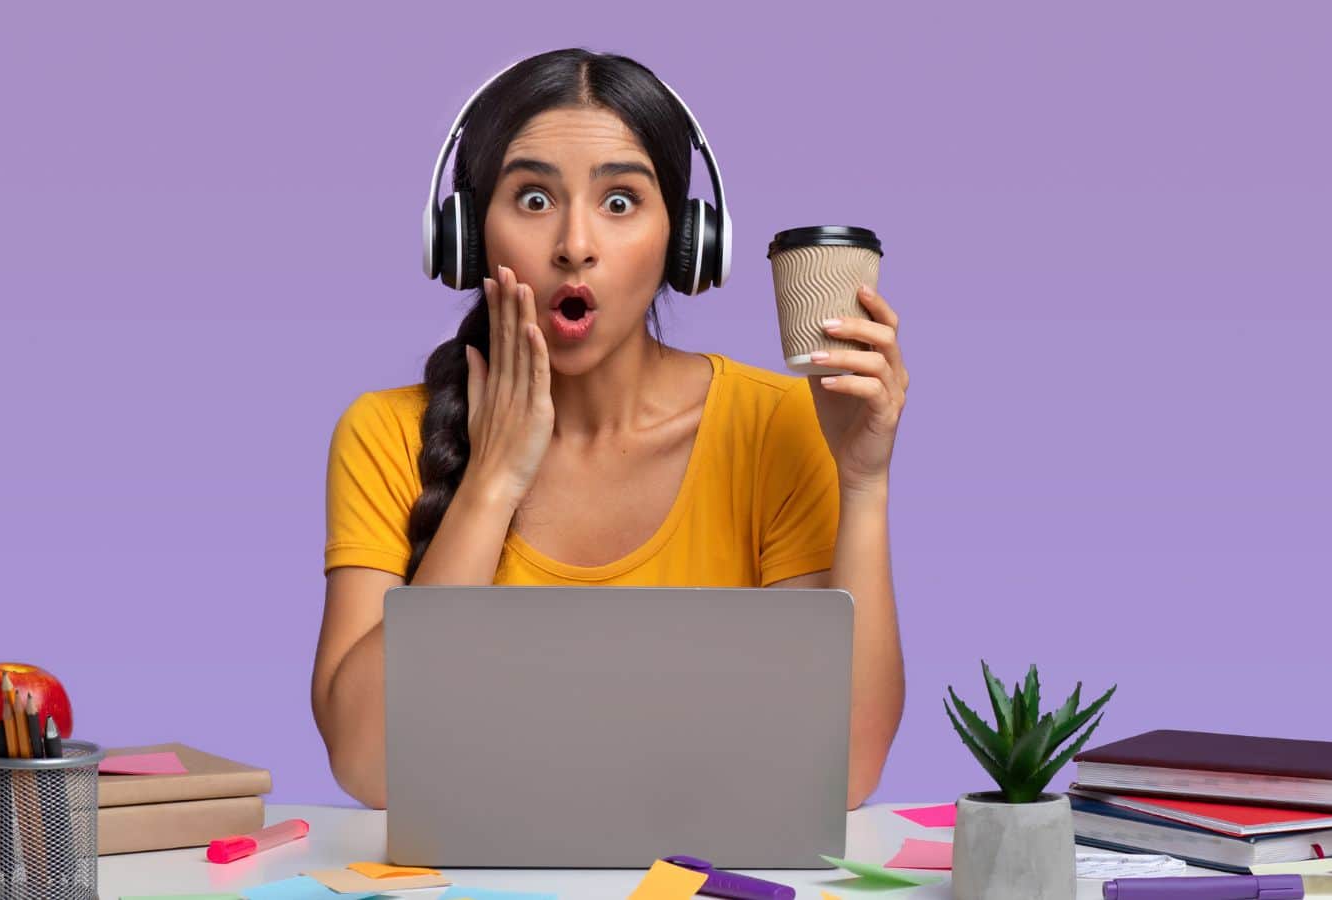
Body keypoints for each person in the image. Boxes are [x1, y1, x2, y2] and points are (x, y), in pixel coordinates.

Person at [312, 48, 909, 812]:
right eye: (532, 199)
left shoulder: (779, 425)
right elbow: (370, 769)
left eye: (620, 202)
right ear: (464, 236)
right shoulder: (384, 433)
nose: (575, 244)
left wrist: (864, 481)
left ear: (687, 245)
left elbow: (847, 772)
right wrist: (491, 484)